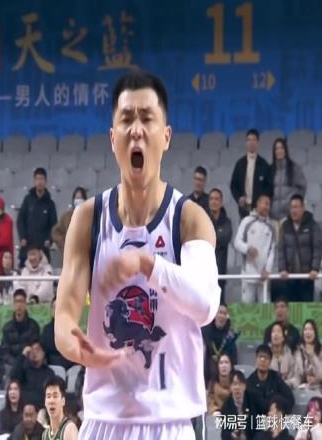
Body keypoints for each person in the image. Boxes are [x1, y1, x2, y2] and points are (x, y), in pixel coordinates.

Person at [55, 71, 221, 439]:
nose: (136, 130)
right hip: (104, 420)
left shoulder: (189, 219)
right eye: (126, 119)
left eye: (147, 118)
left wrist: (148, 264)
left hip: (169, 423)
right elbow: (64, 316)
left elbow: (205, 305)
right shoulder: (88, 218)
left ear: (166, 136)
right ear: (112, 137)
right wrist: (77, 347)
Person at [278, 194, 322, 302]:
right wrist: (282, 269)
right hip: (290, 279)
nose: (293, 210)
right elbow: (281, 250)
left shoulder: (313, 225)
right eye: (292, 207)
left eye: (296, 207)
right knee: (291, 309)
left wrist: (315, 269)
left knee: (306, 308)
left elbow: (317, 249)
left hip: (307, 278)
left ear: (303, 208)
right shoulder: (285, 226)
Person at [234, 194, 276, 303]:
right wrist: (247, 249)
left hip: (263, 276)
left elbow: (272, 251)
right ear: (258, 204)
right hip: (248, 274)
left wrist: (267, 270)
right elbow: (237, 242)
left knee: (265, 308)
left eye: (269, 205)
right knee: (247, 308)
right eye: (265, 203)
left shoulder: (271, 226)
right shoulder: (246, 221)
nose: (267, 207)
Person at [17, 167, 57, 267]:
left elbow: (54, 225)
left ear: (45, 181)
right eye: (37, 179)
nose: (39, 182)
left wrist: (49, 239)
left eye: (42, 179)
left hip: (43, 248)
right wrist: (22, 237)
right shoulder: (27, 200)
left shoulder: (50, 204)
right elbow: (20, 220)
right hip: (27, 247)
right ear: (34, 181)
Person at [246, 345, 294, 428]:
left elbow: (290, 399)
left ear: (270, 362)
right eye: (260, 357)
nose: (263, 360)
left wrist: (276, 405)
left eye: (266, 358)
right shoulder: (249, 382)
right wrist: (272, 402)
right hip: (257, 423)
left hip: (276, 420)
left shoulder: (276, 378)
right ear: (255, 360)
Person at [230, 128, 272, 218]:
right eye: (249, 140)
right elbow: (233, 185)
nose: (251, 142)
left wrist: (261, 202)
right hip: (243, 209)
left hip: (259, 209)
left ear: (258, 143)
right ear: (246, 143)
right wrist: (239, 198)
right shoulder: (240, 164)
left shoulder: (264, 164)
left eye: (254, 140)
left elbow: (269, 187)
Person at [202, 303, 239, 386]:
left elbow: (234, 359)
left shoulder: (230, 336)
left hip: (225, 379)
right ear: (215, 314)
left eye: (224, 313)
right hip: (206, 375)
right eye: (220, 312)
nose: (222, 316)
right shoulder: (205, 332)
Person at [10, 340, 55, 409]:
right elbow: (13, 376)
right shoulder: (23, 370)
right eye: (32, 350)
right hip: (23, 408)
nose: (34, 352)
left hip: (42, 408)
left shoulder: (49, 372)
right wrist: (23, 356)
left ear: (43, 353)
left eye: (37, 349)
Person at [270, 138, 307, 221]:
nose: (279, 151)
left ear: (285, 150)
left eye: (281, 148)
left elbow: (302, 188)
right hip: (272, 217)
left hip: (289, 216)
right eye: (276, 149)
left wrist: (292, 204)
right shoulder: (270, 169)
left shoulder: (294, 168)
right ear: (274, 152)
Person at [208, 188, 233, 302]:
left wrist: (210, 238)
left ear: (221, 202)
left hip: (220, 272)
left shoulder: (227, 222)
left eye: (216, 199)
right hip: (205, 272)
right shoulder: (203, 220)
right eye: (211, 199)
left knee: (219, 303)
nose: (214, 201)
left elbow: (225, 239)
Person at [2, 289, 40, 360]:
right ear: (13, 304)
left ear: (25, 304)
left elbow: (35, 348)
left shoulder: (33, 326)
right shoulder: (7, 328)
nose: (19, 305)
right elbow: (5, 351)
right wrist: (15, 363)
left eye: (21, 301)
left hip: (28, 362)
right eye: (16, 301)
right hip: (11, 363)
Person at [52, 187, 88, 255]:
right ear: (73, 200)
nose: (78, 200)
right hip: (70, 254)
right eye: (77, 198)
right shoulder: (66, 216)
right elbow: (55, 231)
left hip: (85, 254)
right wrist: (63, 244)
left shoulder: (90, 216)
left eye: (81, 198)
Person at [41, 297, 75, 370]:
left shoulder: (72, 328)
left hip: (71, 365)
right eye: (54, 307)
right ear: (51, 311)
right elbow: (45, 351)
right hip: (53, 366)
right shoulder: (46, 330)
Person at [220, 370, 254, 440]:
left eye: (240, 384)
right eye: (234, 384)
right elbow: (224, 433)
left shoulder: (252, 400)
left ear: (245, 386)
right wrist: (232, 435)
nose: (237, 387)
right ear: (230, 387)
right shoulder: (226, 407)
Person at [291, 320, 322, 390]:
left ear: (315, 333)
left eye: (311, 329)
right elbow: (297, 376)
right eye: (305, 329)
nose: (308, 332)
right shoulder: (298, 352)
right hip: (303, 388)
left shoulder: (320, 351)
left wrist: (313, 356)